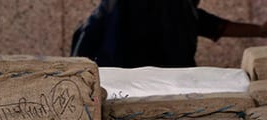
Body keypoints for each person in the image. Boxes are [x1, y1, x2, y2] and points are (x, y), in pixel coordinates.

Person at [72, 0, 267, 68]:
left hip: (158, 83)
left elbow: (215, 26)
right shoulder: (177, 8)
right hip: (131, 81)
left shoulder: (183, 9)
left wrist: (260, 30)